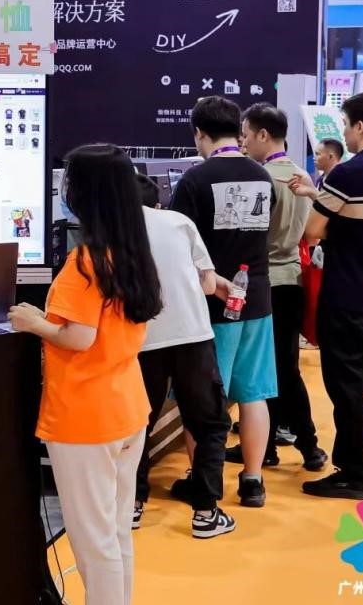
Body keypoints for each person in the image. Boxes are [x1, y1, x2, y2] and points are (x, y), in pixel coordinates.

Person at [9, 144, 160, 603]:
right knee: (114, 533)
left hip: (85, 415)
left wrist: (35, 323)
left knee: (94, 543)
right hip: (126, 405)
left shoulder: (85, 262)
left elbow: (79, 337)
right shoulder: (131, 253)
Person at [290, 92, 363, 500]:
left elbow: (313, 232)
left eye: (345, 124)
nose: (343, 132)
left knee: (345, 386)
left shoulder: (346, 174)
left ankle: (351, 472)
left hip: (345, 295)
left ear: (359, 126)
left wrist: (320, 207)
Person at [169, 96, 276, 509]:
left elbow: (180, 246)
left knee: (203, 399)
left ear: (200, 133)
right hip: (257, 297)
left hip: (212, 301)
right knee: (253, 393)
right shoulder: (262, 176)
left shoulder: (195, 180)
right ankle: (253, 481)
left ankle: (203, 480)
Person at [132, 176, 236, 538]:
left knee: (137, 424)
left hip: (140, 340)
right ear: (157, 203)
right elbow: (207, 284)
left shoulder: (114, 229)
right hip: (191, 335)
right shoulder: (179, 221)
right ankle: (206, 513)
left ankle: (131, 505)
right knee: (209, 423)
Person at [238, 103, 327, 473]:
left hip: (266, 282)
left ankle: (309, 445)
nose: (243, 143)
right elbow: (311, 234)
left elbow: (250, 236)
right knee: (281, 365)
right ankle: (270, 446)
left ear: (263, 134)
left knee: (274, 369)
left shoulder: (260, 179)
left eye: (246, 135)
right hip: (293, 275)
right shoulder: (301, 175)